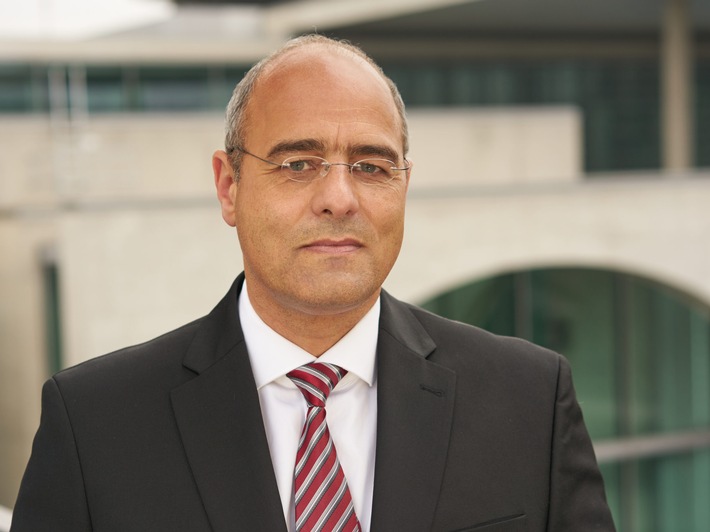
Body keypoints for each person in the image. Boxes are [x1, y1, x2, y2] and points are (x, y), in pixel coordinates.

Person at [11, 35, 615, 532]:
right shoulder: (95, 425)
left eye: (371, 166)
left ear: (404, 186)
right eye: (297, 164)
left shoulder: (530, 402)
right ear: (229, 186)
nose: (339, 198)